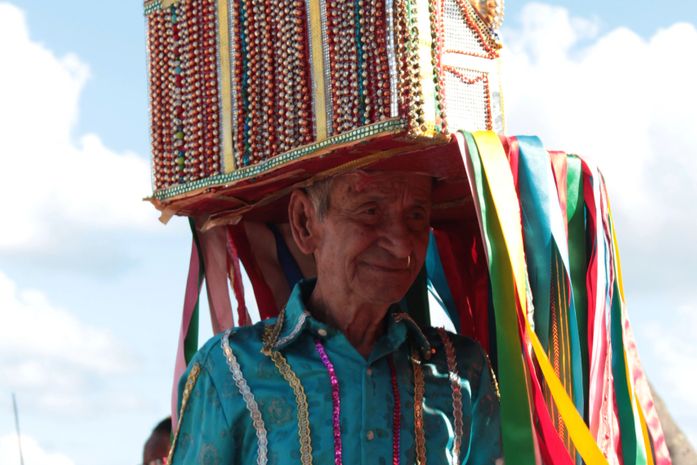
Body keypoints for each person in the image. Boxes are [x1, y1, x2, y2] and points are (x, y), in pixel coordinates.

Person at [168, 171, 503, 464]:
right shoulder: (228, 370)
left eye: (416, 215)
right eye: (370, 212)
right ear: (305, 222)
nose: (402, 245)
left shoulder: (462, 369)